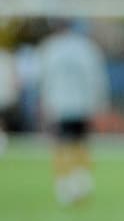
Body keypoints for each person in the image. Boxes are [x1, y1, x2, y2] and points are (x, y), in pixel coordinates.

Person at [37, 21, 110, 205]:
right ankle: (81, 183)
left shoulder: (50, 48)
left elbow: (43, 79)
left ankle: (64, 185)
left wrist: (44, 103)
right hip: (81, 105)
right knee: (80, 144)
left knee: (62, 146)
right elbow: (96, 78)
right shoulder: (86, 48)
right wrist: (99, 103)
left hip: (59, 105)